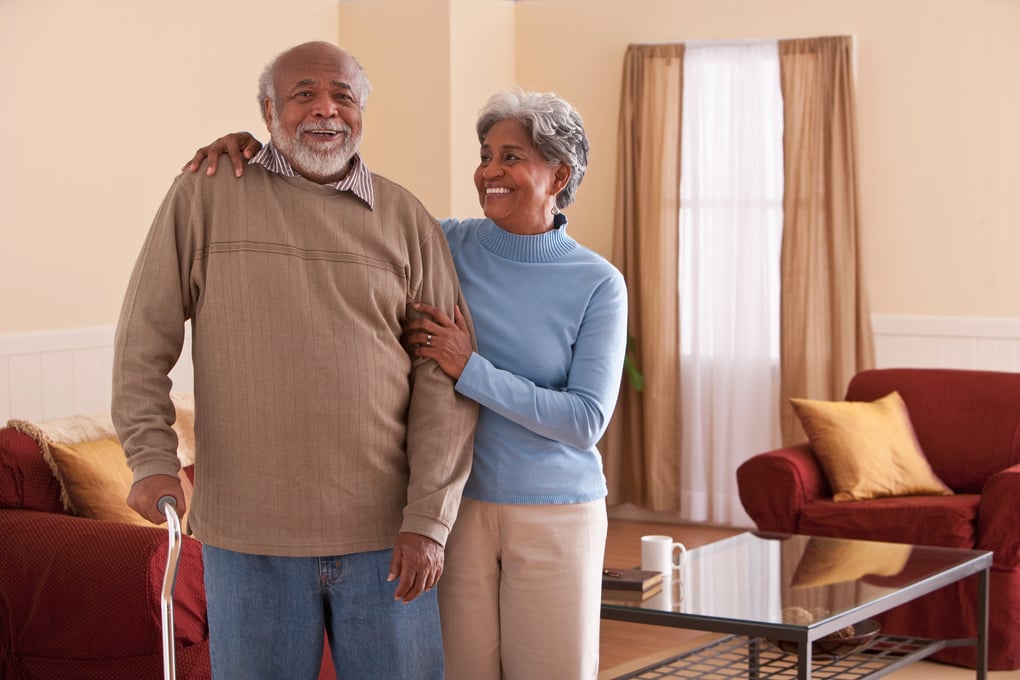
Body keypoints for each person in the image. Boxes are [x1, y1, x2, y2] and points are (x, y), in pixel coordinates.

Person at [184, 88, 628, 679]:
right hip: (456, 511)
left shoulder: (598, 282)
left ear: (560, 174)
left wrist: (470, 368)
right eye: (487, 155)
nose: (490, 172)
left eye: (512, 157)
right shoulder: (441, 240)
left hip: (557, 512)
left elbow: (584, 421)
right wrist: (255, 157)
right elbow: (331, 216)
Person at [114, 41, 477, 680]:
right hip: (248, 537)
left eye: (342, 95)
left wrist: (429, 520)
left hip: (386, 537)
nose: (325, 110)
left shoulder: (407, 219)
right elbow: (144, 343)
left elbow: (443, 381)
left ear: (362, 109)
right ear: (268, 109)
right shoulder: (204, 197)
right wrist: (150, 459)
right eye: (303, 93)